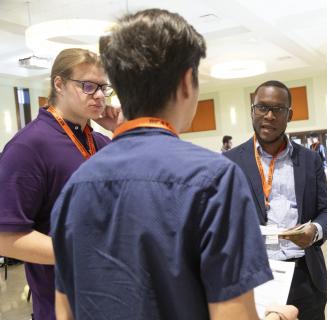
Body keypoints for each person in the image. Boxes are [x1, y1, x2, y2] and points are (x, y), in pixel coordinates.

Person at [50, 9, 297, 320]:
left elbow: (64, 311)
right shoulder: (216, 180)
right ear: (185, 83)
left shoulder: (74, 188)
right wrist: (278, 317)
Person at [0, 48, 120, 320]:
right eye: (88, 86)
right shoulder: (28, 147)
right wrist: (83, 251)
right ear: (59, 84)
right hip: (63, 307)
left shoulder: (102, 143)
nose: (100, 95)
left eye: (104, 87)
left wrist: (122, 129)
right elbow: (5, 238)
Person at [224, 80, 327, 320]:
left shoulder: (309, 160)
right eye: (261, 107)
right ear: (252, 110)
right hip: (252, 276)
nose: (269, 115)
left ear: (290, 115)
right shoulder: (230, 162)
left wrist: (314, 231)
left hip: (304, 274)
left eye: (278, 109)